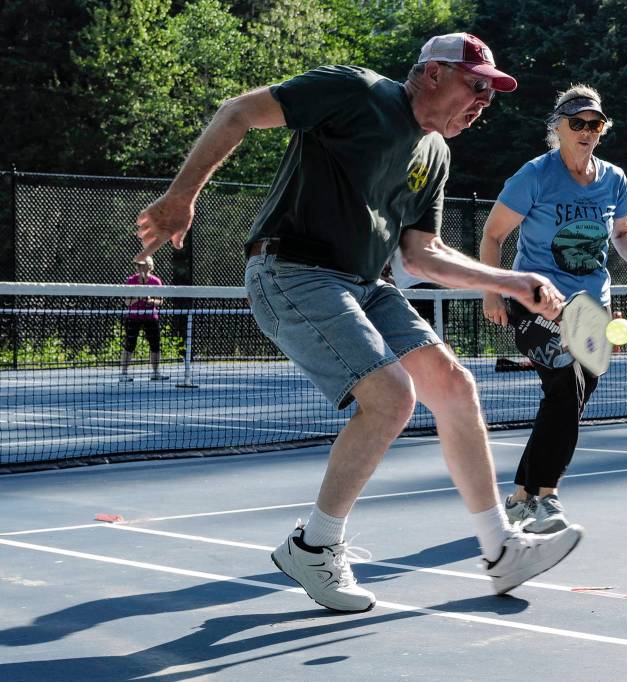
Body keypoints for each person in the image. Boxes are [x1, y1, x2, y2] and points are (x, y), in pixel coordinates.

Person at [134, 32, 583, 611]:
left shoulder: (436, 154)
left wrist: (510, 282)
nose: (481, 104)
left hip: (367, 283)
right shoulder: (355, 91)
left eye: (490, 96)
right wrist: (179, 196)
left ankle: (500, 549)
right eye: (475, 87)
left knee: (454, 386)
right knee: (392, 397)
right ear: (433, 74)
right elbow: (238, 110)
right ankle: (315, 547)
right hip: (292, 270)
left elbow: (421, 255)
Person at [480, 85, 627, 533]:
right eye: (578, 123)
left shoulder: (613, 178)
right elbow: (493, 234)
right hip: (536, 300)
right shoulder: (534, 175)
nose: (588, 131)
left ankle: (521, 495)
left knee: (569, 399)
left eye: (596, 124)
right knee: (567, 384)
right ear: (557, 127)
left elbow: (623, 230)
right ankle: (547, 499)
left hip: (594, 308)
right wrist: (492, 292)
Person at [119, 256, 169, 382]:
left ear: (150, 267)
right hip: (133, 317)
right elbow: (127, 302)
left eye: (143, 265)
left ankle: (156, 372)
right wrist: (138, 297)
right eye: (139, 265)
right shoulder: (131, 280)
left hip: (151, 317)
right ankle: (124, 373)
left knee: (155, 345)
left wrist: (150, 301)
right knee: (129, 345)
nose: (140, 267)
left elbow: (161, 301)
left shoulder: (156, 282)